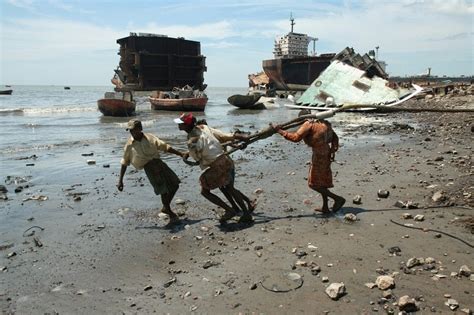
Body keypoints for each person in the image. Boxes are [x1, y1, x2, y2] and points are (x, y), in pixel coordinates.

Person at [175, 113, 255, 224]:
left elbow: (197, 158)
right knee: (229, 187)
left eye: (181, 124)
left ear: (186, 125)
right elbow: (222, 135)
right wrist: (236, 136)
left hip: (216, 165)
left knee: (205, 191)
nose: (179, 126)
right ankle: (245, 213)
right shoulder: (204, 127)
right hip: (225, 160)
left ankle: (229, 210)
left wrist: (190, 154)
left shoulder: (191, 141)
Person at [271, 110, 345, 214]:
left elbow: (296, 138)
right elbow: (334, 137)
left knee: (313, 184)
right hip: (326, 152)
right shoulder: (324, 122)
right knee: (322, 182)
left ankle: (338, 199)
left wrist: (279, 131)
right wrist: (333, 150)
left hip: (319, 155)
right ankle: (325, 207)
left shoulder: (308, 124)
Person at [117, 119, 186, 224]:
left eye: (134, 130)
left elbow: (165, 147)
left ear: (140, 129)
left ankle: (165, 207)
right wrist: (120, 180)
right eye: (130, 131)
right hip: (149, 168)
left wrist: (180, 153)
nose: (132, 133)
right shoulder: (129, 145)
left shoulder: (150, 138)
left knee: (175, 184)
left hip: (159, 163)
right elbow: (124, 162)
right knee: (163, 190)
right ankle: (169, 211)